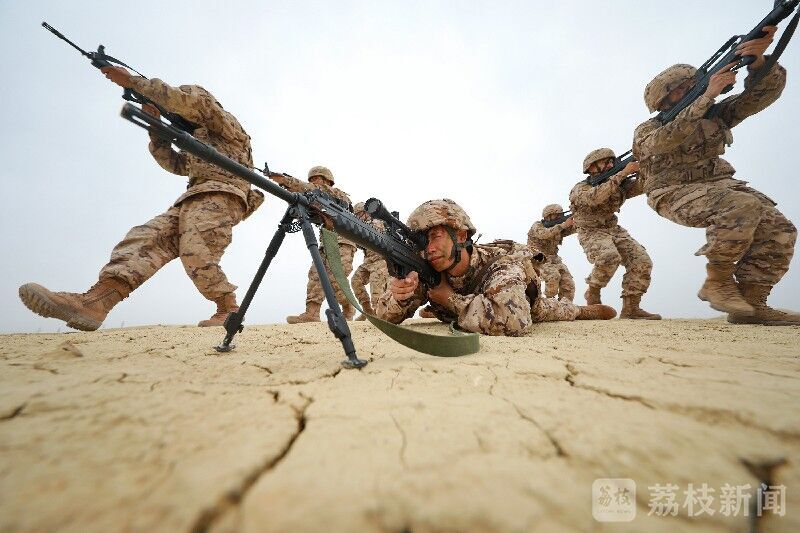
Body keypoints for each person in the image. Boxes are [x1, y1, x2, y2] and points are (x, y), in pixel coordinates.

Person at [19, 66, 264, 330]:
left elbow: (192, 102)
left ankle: (228, 308)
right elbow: (176, 165)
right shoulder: (200, 140)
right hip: (193, 197)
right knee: (147, 238)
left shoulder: (224, 124)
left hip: (223, 195)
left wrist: (134, 82)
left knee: (197, 248)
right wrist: (157, 133)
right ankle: (96, 302)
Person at [633, 26, 799, 325]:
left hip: (717, 184)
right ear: (663, 103)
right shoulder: (649, 129)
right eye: (679, 90)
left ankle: (751, 305)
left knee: (778, 228)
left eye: (691, 85)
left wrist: (758, 62)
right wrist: (706, 96)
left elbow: (759, 97)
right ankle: (718, 281)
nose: (689, 91)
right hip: (671, 191)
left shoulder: (715, 114)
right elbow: (662, 142)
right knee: (740, 206)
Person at [374, 199, 616, 335]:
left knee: (550, 311)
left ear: (460, 235)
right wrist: (399, 297)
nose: (429, 249)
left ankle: (581, 310)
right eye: (422, 242)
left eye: (435, 236)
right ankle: (442, 311)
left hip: (524, 304)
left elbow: (515, 321)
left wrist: (449, 299)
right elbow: (384, 316)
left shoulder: (502, 265)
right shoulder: (428, 267)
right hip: (470, 305)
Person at [569, 149, 661, 319]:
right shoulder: (580, 188)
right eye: (606, 162)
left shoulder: (618, 184)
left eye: (612, 161)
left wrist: (644, 172)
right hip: (590, 231)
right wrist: (623, 173)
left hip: (613, 228)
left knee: (641, 261)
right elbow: (595, 197)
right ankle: (593, 291)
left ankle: (631, 309)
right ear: (591, 167)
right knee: (609, 257)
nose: (611, 164)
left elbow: (641, 186)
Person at [269, 166, 357, 322]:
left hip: (343, 242)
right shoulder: (317, 197)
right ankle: (312, 313)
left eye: (317, 179)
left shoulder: (337, 194)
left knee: (335, 279)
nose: (314, 182)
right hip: (326, 241)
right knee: (316, 275)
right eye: (312, 179)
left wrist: (285, 180)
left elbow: (308, 188)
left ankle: (348, 307)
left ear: (327, 181)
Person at [527, 204, 576, 302]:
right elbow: (545, 234)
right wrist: (564, 225)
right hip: (538, 259)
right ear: (548, 216)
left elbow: (572, 229)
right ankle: (550, 303)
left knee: (568, 283)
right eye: (557, 215)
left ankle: (565, 306)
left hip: (554, 259)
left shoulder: (558, 227)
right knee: (553, 277)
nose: (559, 217)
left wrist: (579, 220)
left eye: (560, 215)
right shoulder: (537, 226)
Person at [350, 202, 390, 321]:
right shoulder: (361, 225)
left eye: (359, 215)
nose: (358, 218)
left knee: (376, 289)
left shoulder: (376, 222)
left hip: (380, 261)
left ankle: (379, 316)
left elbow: (373, 231)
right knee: (356, 281)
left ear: (367, 213)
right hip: (368, 262)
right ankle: (368, 311)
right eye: (356, 216)